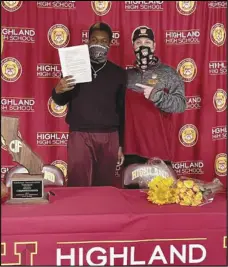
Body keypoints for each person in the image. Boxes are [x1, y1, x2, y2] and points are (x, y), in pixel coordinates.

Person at [52, 22, 126, 187]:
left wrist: (121, 144)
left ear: (110, 43)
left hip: (109, 137)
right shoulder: (73, 68)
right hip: (80, 134)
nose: (98, 44)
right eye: (94, 39)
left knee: (105, 187)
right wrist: (58, 89)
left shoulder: (119, 74)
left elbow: (122, 110)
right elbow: (60, 100)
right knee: (78, 184)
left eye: (103, 41)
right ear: (87, 41)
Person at [124, 25, 186, 168]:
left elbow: (181, 104)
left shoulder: (168, 73)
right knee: (129, 189)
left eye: (147, 42)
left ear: (154, 46)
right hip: (131, 150)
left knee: (162, 190)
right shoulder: (126, 76)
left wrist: (157, 96)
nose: (143, 46)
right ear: (133, 46)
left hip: (159, 149)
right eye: (138, 43)